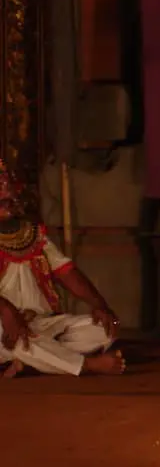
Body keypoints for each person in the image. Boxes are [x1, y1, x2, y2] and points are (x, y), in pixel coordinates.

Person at [0, 160, 123, 377]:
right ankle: (87, 365)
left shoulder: (33, 233)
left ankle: (32, 361)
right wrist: (6, 310)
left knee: (103, 329)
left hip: (41, 323)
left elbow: (66, 272)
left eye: (7, 187)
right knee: (10, 336)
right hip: (4, 326)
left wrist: (99, 304)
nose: (7, 193)